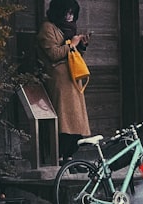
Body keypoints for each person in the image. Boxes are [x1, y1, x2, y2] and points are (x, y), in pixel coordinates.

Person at [37, 0, 91, 162]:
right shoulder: (47, 28)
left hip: (72, 79)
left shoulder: (69, 29)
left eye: (72, 13)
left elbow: (74, 56)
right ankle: (59, 155)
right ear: (58, 12)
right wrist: (72, 45)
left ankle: (69, 157)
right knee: (64, 120)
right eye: (66, 12)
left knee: (75, 121)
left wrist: (81, 46)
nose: (69, 16)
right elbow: (53, 54)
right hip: (59, 81)